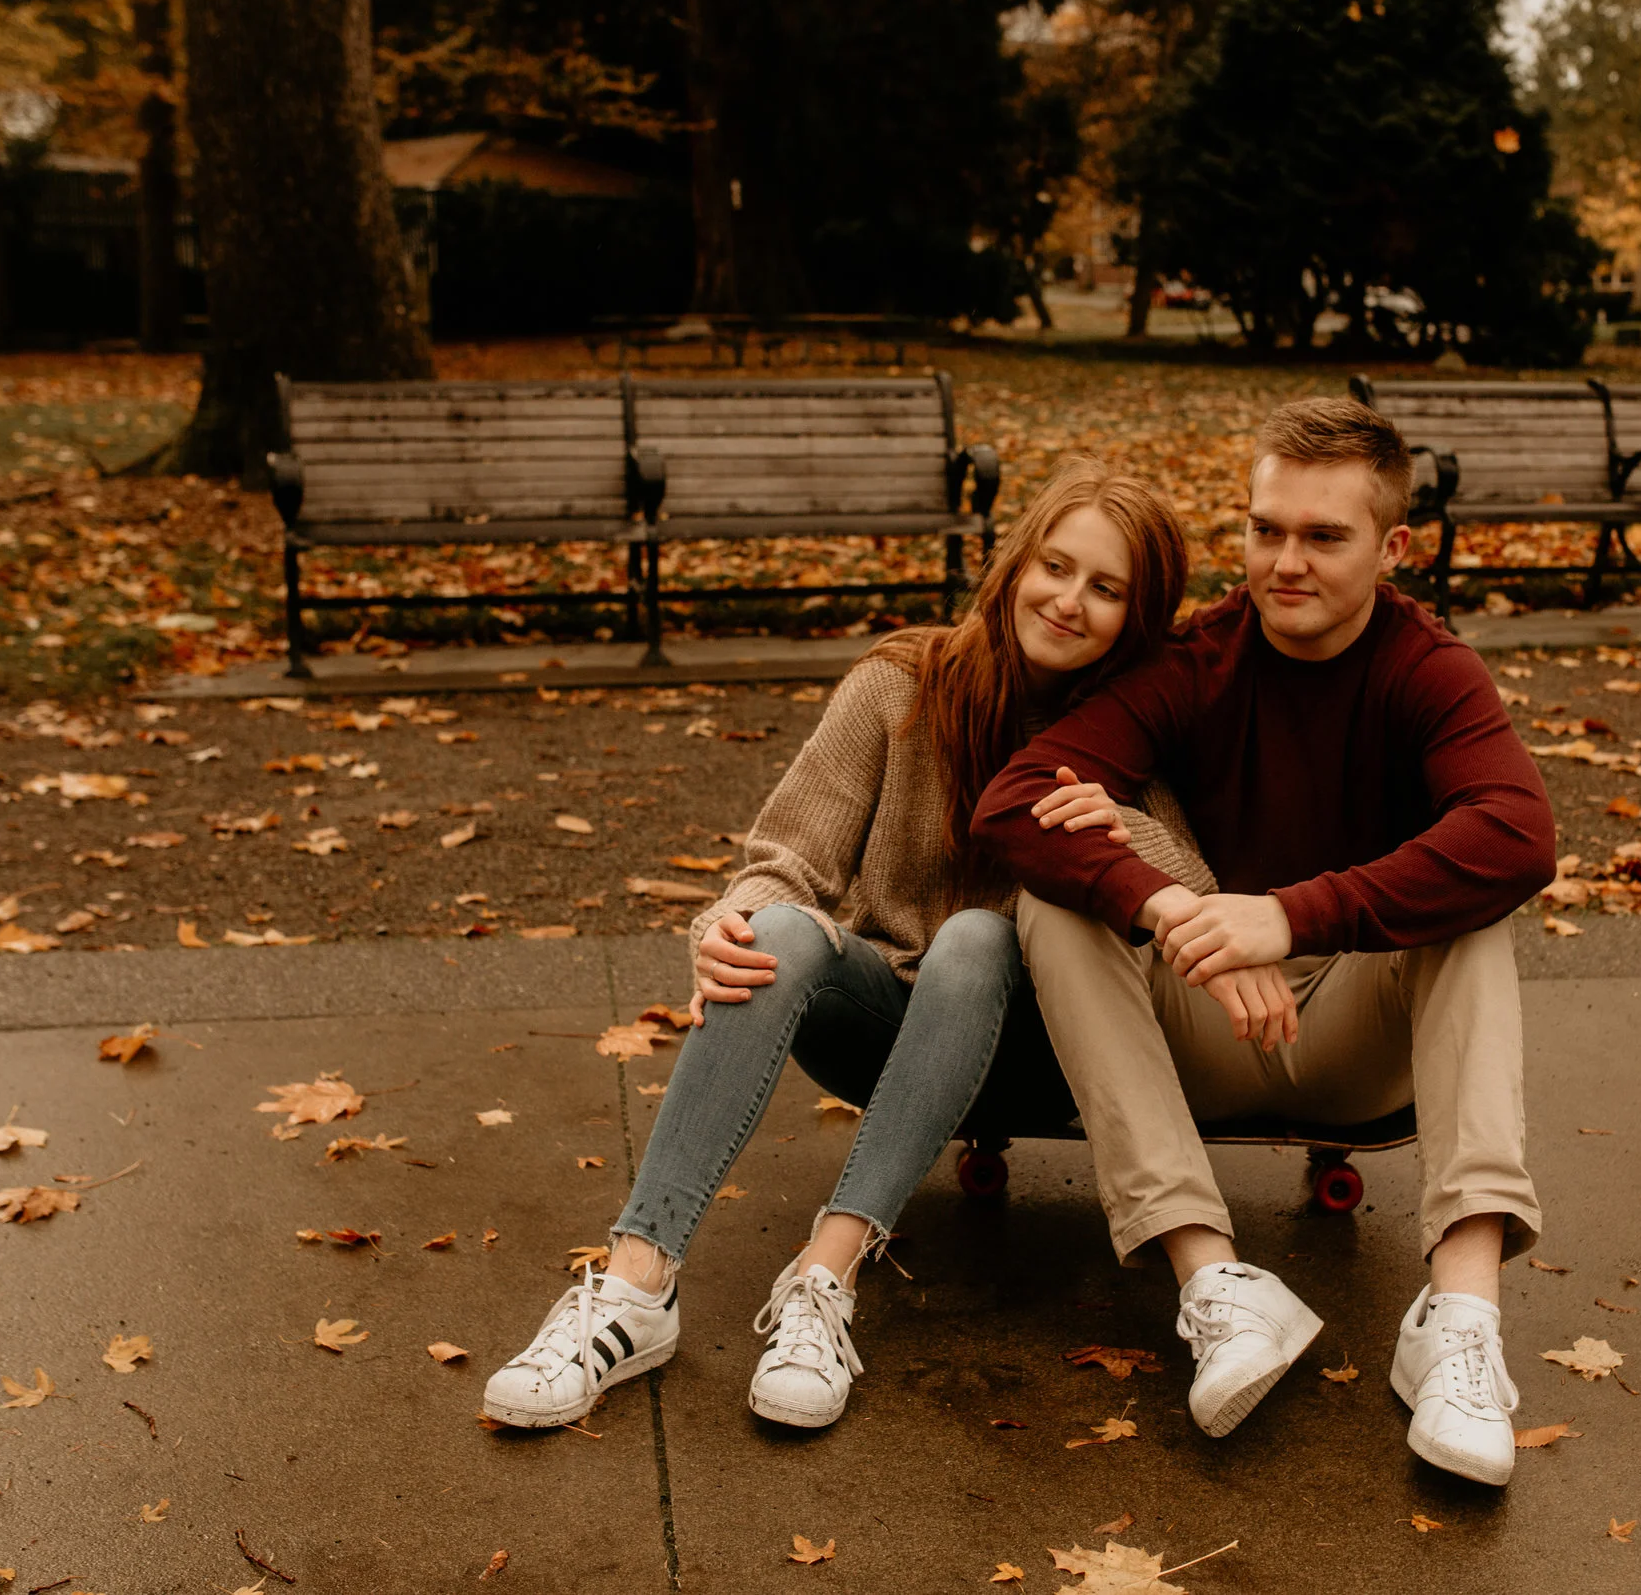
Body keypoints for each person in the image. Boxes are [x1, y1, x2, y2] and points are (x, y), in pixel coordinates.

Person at [482, 457, 1213, 1433]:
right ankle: (635, 1285)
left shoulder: (1132, 726)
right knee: (779, 929)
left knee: (977, 937)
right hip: (883, 1027)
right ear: (1015, 563)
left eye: (1106, 588)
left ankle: (824, 1276)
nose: (1069, 600)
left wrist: (1125, 831)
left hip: (1046, 1056)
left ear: (1139, 614)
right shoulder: (900, 684)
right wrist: (728, 924)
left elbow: (1203, 900)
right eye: (1055, 565)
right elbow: (785, 861)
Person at [970, 397, 1557, 1487]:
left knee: (1472, 908)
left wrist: (1287, 913)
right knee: (1056, 897)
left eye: (1323, 536)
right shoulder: (1197, 659)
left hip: (1354, 1028)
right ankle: (1219, 1286)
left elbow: (1519, 832)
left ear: (1393, 547)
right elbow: (1014, 801)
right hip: (1196, 1017)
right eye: (1265, 529)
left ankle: (1461, 1325)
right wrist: (1170, 908)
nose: (1285, 562)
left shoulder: (1427, 667)